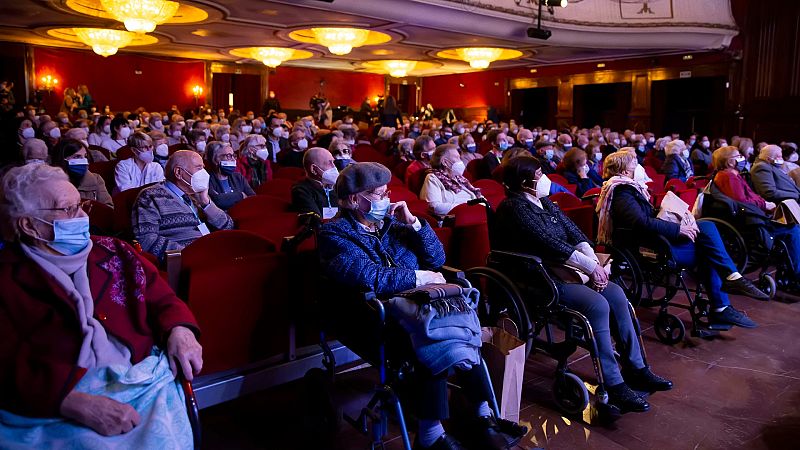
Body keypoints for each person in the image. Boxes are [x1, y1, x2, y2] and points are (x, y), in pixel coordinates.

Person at [319, 162, 527, 450]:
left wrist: (414, 225)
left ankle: (483, 416)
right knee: (432, 339)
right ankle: (431, 434)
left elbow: (437, 258)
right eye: (378, 194)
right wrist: (420, 277)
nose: (386, 199)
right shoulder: (334, 234)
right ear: (355, 199)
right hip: (374, 313)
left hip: (421, 305)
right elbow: (369, 276)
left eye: (386, 193)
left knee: (462, 330)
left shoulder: (393, 224)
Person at [0, 163, 201, 446]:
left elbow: (163, 298)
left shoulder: (115, 250)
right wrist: (70, 402)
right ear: (29, 225)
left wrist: (180, 330)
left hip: (138, 373)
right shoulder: (7, 278)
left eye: (81, 205)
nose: (83, 216)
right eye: (68, 210)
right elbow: (7, 365)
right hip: (58, 395)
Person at [493, 155, 672, 413]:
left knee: (616, 294)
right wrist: (591, 267)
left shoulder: (544, 201)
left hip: (567, 269)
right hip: (538, 276)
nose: (544, 178)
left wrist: (593, 261)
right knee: (597, 304)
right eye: (539, 174)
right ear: (523, 182)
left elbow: (574, 232)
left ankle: (637, 368)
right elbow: (548, 243)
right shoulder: (514, 208)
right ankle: (614, 383)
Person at [598, 151, 769, 329]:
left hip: (655, 238)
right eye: (634, 163)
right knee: (709, 247)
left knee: (706, 227)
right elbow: (641, 222)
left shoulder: (629, 189)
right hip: (648, 246)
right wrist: (678, 229)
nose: (639, 166)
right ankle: (725, 298)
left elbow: (645, 217)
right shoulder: (622, 192)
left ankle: (729, 287)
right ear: (625, 172)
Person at [712, 146, 800, 282]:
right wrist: (764, 204)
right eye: (738, 156)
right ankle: (796, 276)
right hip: (749, 220)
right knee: (792, 230)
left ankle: (791, 273)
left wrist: (764, 203)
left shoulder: (733, 175)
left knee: (793, 226)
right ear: (730, 162)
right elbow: (742, 202)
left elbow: (750, 197)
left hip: (754, 215)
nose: (742, 158)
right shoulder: (728, 177)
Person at [132, 150, 233, 261]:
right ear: (178, 172)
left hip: (212, 254)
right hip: (188, 261)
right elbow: (146, 240)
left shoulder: (197, 195)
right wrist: (190, 254)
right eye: (199, 168)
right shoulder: (150, 196)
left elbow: (228, 226)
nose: (204, 173)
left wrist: (206, 202)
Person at [420, 144, 482, 216]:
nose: (461, 160)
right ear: (445, 162)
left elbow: (479, 197)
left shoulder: (460, 178)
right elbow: (434, 206)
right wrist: (467, 208)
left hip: (473, 214)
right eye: (457, 157)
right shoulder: (432, 178)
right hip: (455, 218)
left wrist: (483, 204)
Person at [50, 138, 113, 207]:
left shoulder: (96, 179)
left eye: (85, 156)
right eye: (77, 156)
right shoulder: (49, 183)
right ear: (62, 159)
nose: (83, 160)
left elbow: (108, 207)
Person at [290, 147, 339, 219]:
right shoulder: (300, 191)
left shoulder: (337, 186)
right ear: (313, 169)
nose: (334, 167)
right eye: (329, 163)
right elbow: (316, 220)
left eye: (333, 162)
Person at [205, 141, 254, 211]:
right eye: (229, 156)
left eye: (234, 156)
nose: (233, 159)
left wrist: (227, 198)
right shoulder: (207, 179)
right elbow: (217, 201)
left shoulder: (238, 177)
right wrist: (241, 195)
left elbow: (252, 198)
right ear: (215, 159)